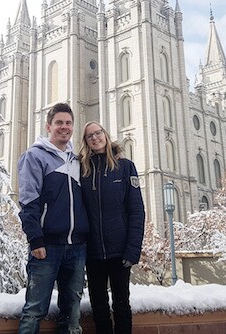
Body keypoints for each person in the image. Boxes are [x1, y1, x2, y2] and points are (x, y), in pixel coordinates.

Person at [17, 103, 89, 334]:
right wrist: (35, 240)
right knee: (35, 310)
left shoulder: (77, 159)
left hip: (76, 247)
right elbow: (28, 201)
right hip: (46, 247)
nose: (64, 127)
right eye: (59, 122)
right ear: (49, 126)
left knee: (72, 314)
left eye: (68, 123)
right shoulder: (35, 156)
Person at [79, 121, 145, 334]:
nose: (95, 138)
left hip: (120, 251)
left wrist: (133, 249)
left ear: (105, 135)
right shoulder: (81, 168)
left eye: (98, 133)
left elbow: (136, 211)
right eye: (90, 136)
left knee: (122, 305)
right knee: (98, 308)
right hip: (93, 253)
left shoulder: (125, 166)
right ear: (86, 141)